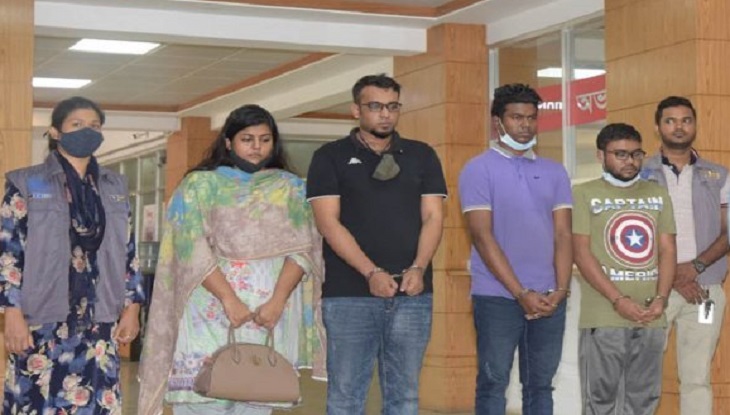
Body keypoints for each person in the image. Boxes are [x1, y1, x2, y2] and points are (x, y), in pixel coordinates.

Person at [138, 104, 325, 415]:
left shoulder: (291, 188)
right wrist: (229, 299)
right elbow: (190, 248)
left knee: (256, 396)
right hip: (208, 309)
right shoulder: (199, 185)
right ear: (228, 142)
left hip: (267, 312)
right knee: (203, 397)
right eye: (247, 139)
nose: (256, 147)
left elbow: (304, 249)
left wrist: (277, 301)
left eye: (265, 139)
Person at [306, 74, 446, 415]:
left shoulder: (422, 155)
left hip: (412, 296)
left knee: (405, 398)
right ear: (356, 110)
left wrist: (419, 267)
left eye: (392, 106)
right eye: (375, 106)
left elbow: (433, 217)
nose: (385, 114)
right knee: (346, 398)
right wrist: (371, 272)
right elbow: (328, 223)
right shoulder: (329, 156)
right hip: (349, 296)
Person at [0, 96, 144, 414]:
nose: (87, 131)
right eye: (76, 124)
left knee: (96, 402)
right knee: (36, 403)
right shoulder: (27, 183)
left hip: (99, 317)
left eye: (94, 125)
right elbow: (9, 252)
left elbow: (128, 250)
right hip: (42, 317)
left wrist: (132, 307)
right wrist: (11, 313)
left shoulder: (114, 187)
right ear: (55, 132)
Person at [458, 83, 572, 415]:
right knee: (493, 383)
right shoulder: (478, 169)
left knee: (540, 384)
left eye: (531, 118)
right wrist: (520, 292)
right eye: (517, 117)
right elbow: (482, 236)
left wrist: (561, 290)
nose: (525, 125)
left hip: (550, 297)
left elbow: (563, 234)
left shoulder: (554, 171)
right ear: (498, 122)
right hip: (497, 296)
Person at [573, 123, 677, 415]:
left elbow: (668, 250)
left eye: (636, 154)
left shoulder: (658, 194)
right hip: (604, 315)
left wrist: (661, 299)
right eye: (620, 154)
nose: (630, 161)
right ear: (600, 156)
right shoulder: (583, 193)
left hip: (651, 316)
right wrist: (618, 300)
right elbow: (581, 253)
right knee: (600, 401)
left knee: (644, 401)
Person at [639, 96, 729, 415]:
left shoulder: (719, 175)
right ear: (657, 127)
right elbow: (629, 235)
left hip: (704, 293)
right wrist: (673, 275)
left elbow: (727, 232)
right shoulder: (639, 174)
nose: (679, 127)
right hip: (652, 291)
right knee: (643, 374)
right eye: (670, 121)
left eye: (686, 120)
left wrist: (696, 266)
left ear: (695, 125)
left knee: (697, 377)